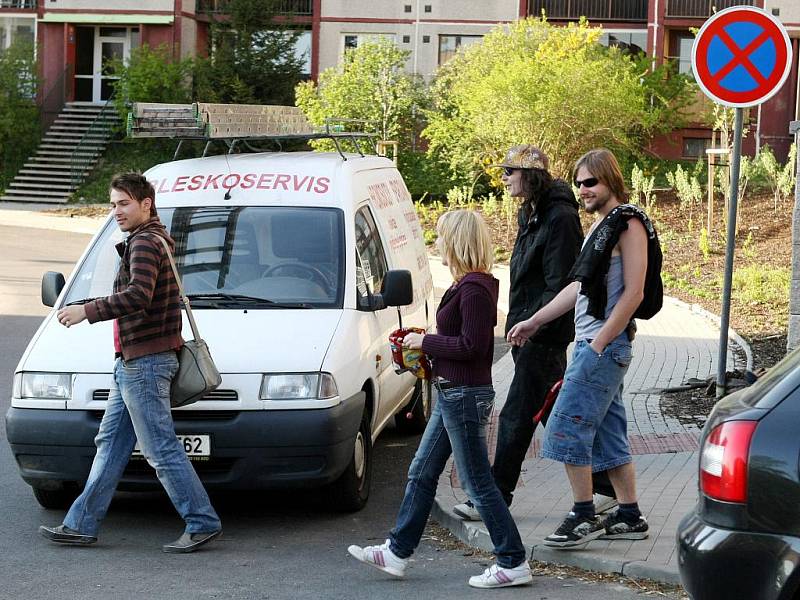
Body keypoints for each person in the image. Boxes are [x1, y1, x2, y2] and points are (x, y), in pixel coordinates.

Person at [348, 210, 532, 589]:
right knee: (421, 472)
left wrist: (425, 342)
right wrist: (427, 354)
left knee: (477, 482)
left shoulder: (475, 289)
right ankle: (397, 552)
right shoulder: (468, 285)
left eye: (442, 237)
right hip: (453, 392)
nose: (438, 244)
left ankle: (512, 560)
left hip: (464, 396)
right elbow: (464, 344)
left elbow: (473, 346)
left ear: (458, 242)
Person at [39, 172, 222, 553]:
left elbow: (138, 295)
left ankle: (202, 521)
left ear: (145, 204)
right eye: (112, 204)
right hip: (134, 362)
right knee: (110, 444)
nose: (116, 211)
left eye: (123, 203)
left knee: (159, 448)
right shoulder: (152, 240)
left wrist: (86, 310)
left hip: (146, 363)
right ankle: (80, 524)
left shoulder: (144, 244)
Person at [452, 145, 617, 522]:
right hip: (527, 330)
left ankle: (493, 497)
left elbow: (562, 281)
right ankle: (605, 486)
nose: (505, 177)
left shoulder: (559, 217)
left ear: (531, 175)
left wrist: (534, 323)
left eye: (511, 171)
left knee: (516, 415)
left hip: (543, 334)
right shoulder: (532, 211)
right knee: (554, 415)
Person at [508, 148, 653, 548]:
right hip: (595, 345)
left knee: (565, 427)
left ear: (611, 180)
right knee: (609, 436)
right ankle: (629, 515)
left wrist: (600, 342)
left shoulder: (628, 224)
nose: (583, 190)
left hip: (602, 348)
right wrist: (536, 319)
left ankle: (583, 514)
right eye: (578, 183)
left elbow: (635, 291)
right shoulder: (600, 228)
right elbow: (578, 287)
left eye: (591, 182)